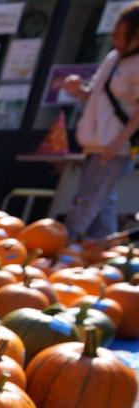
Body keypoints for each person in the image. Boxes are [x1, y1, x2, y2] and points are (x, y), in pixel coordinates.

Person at [62, 2, 139, 241]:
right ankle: (104, 252)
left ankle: (67, 245)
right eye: (114, 32)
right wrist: (78, 90)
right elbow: (95, 94)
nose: (115, 38)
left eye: (120, 34)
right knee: (102, 200)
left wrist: (119, 142)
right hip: (95, 141)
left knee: (88, 199)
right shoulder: (113, 58)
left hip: (115, 145)